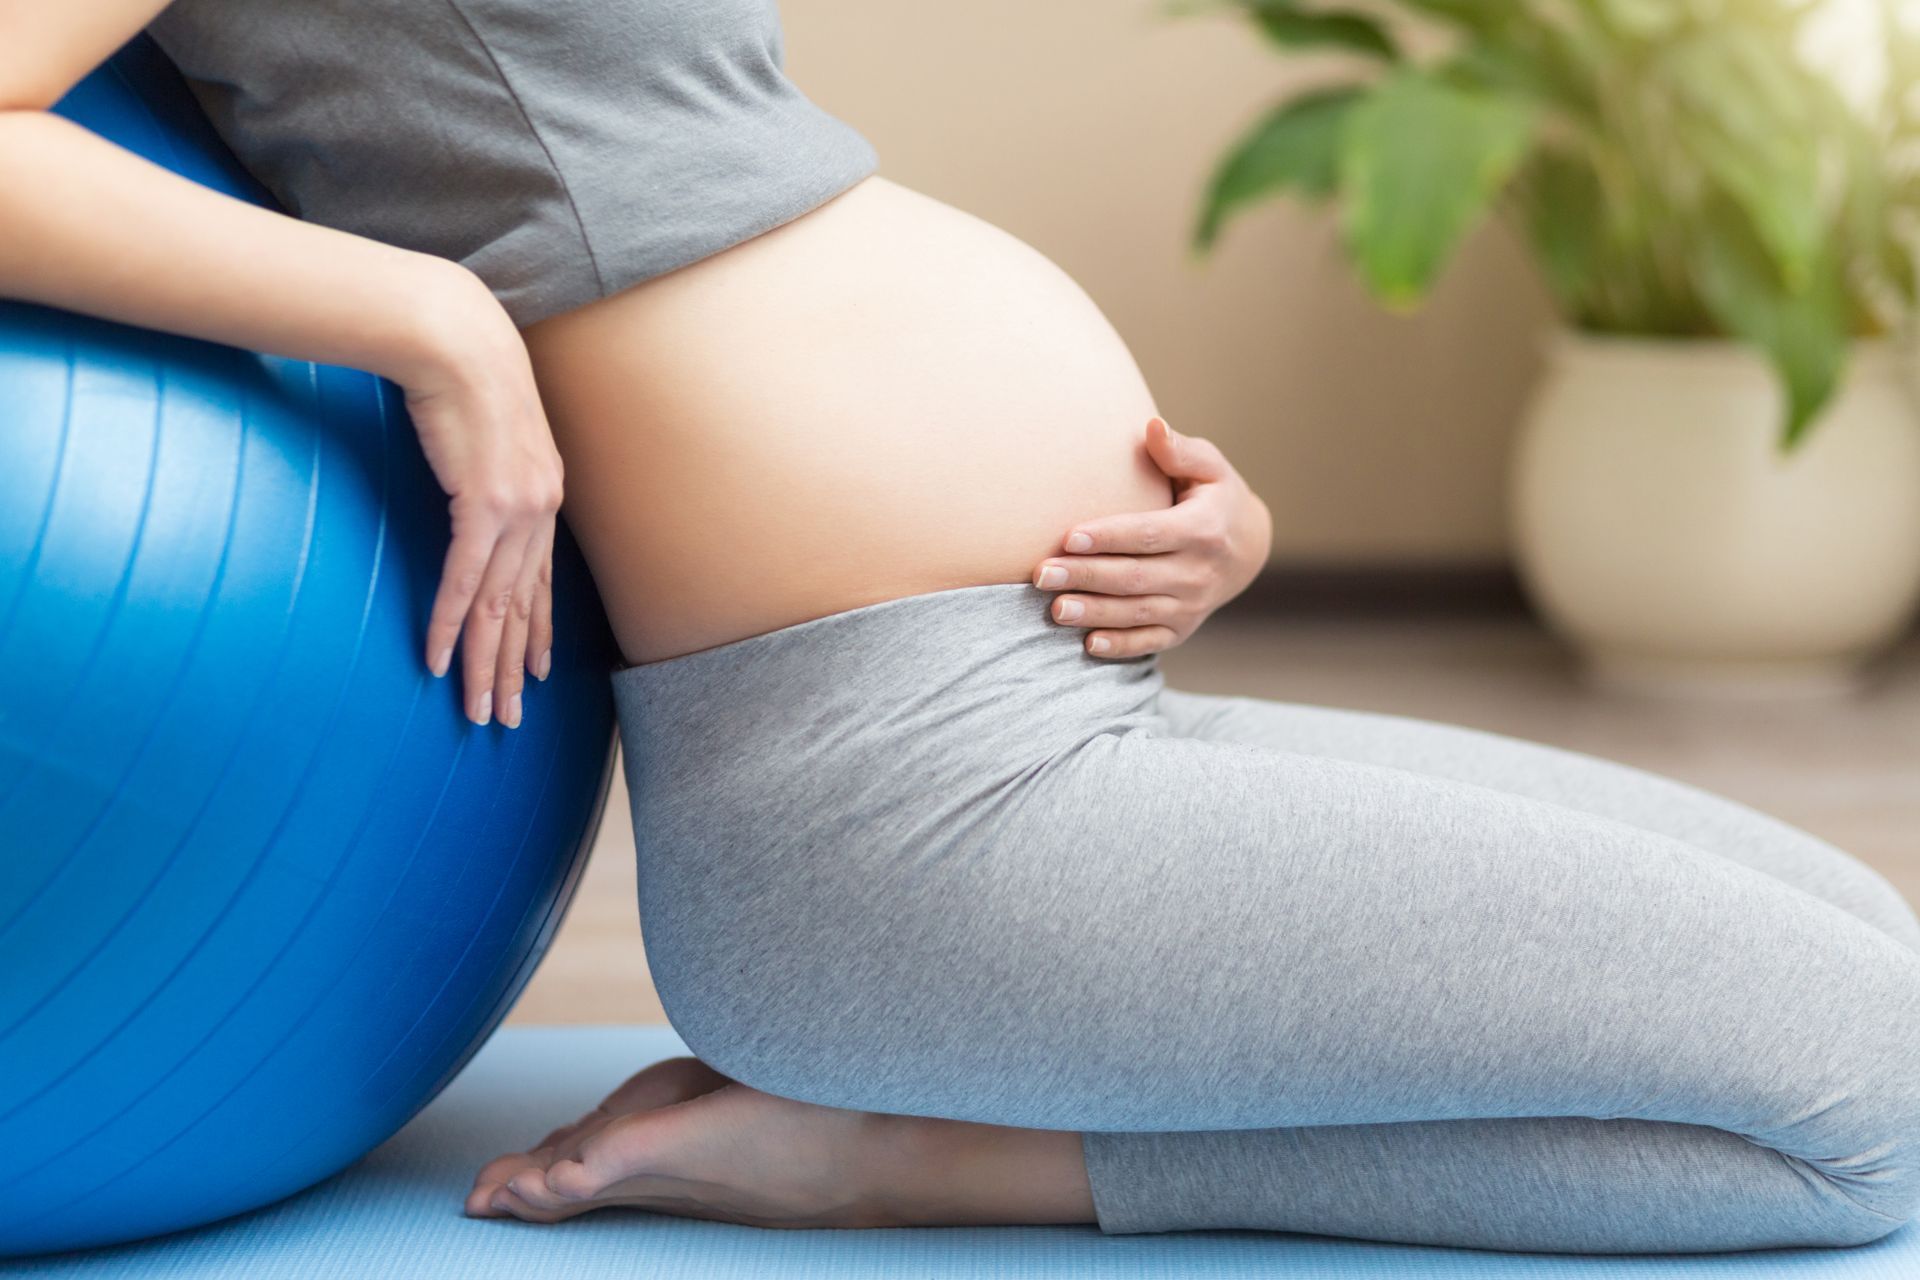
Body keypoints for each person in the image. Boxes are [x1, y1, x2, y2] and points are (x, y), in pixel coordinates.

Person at [6, 0, 1920, 1255]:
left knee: (1875, 948)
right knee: (1867, 1095)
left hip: (1066, 709)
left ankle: (899, 1115)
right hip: (893, 817)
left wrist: (1170, 509)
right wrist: (427, 320)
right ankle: (902, 1151)